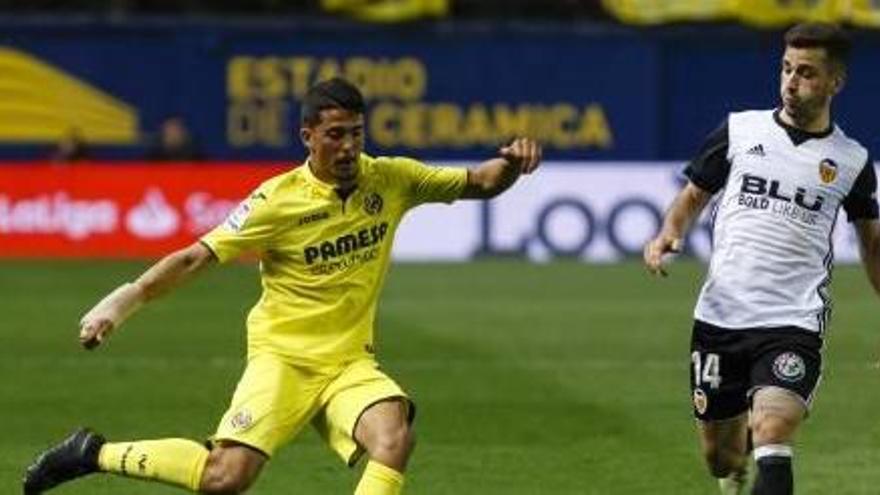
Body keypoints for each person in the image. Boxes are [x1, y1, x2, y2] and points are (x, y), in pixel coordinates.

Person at [22, 77, 541, 495]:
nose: (348, 147)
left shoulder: (391, 178)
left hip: (349, 363)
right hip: (283, 359)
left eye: (356, 133)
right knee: (224, 478)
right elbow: (194, 258)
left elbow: (481, 182)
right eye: (335, 134)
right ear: (308, 138)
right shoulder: (276, 201)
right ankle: (92, 453)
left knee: (393, 438)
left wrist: (513, 165)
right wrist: (123, 301)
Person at [644, 23, 879, 495]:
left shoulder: (851, 162)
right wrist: (667, 234)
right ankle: (734, 467)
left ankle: (761, 439)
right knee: (720, 457)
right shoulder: (740, 130)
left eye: (807, 73)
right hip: (721, 316)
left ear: (836, 82)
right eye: (787, 69)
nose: (791, 82)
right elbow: (692, 196)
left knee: (772, 430)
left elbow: (872, 244)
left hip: (793, 320)